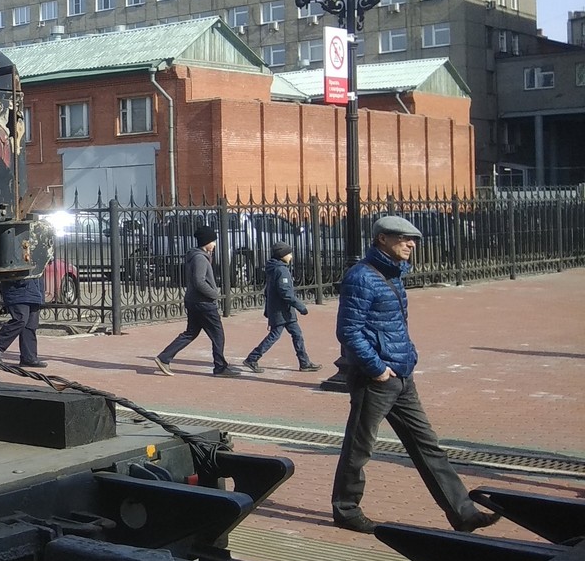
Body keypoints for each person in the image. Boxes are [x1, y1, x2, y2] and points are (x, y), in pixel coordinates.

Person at [330, 216, 500, 535]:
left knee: (427, 445)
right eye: (404, 238)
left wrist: (407, 357)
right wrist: (378, 369)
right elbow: (348, 331)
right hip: (376, 377)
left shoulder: (394, 275)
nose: (411, 244)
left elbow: (393, 325)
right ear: (382, 239)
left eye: (414, 240)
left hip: (402, 375)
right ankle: (346, 508)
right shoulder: (362, 276)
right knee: (360, 446)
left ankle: (463, 513)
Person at [154, 226, 238, 377]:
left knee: (191, 333)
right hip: (203, 303)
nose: (214, 245)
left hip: (194, 301)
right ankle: (220, 367)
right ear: (205, 242)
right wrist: (213, 294)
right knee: (217, 334)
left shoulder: (197, 256)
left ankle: (164, 357)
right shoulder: (199, 258)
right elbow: (199, 281)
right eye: (213, 241)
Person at [244, 242, 323, 373]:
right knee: (274, 335)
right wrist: (300, 306)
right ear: (282, 255)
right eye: (289, 253)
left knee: (297, 334)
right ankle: (252, 358)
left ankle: (304, 362)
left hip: (284, 311)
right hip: (281, 311)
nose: (291, 256)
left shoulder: (275, 268)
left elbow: (268, 291)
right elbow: (285, 293)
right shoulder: (281, 270)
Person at [0, 269, 48, 368]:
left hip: (34, 290)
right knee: (20, 319)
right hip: (18, 288)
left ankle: (29, 357)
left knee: (31, 325)